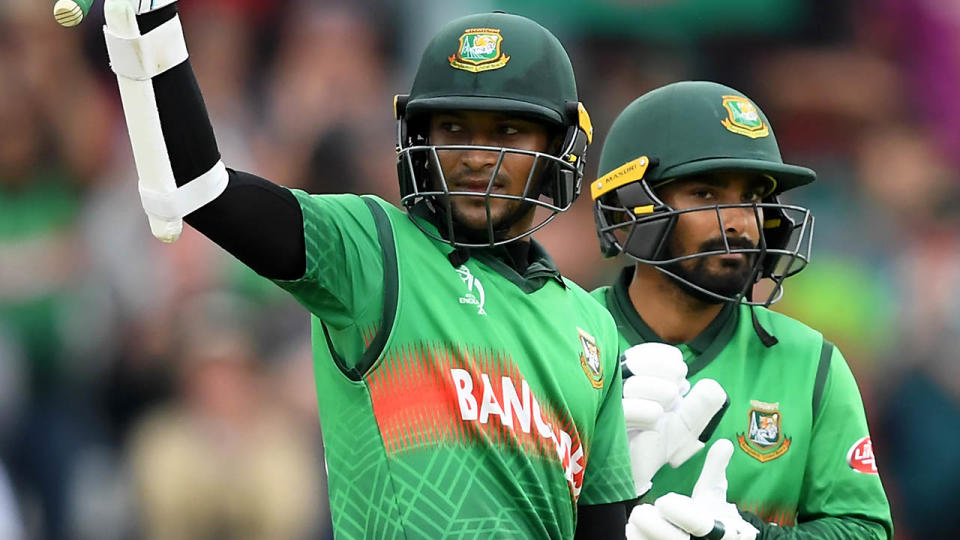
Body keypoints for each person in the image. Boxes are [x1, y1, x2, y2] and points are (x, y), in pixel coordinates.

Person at [100, 1, 636, 537]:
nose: (477, 157)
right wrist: (149, 29)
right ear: (420, 141)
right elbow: (204, 192)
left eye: (508, 132)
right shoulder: (372, 250)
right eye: (453, 127)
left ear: (559, 147)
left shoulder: (595, 327)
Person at [589, 81, 893, 538]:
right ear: (627, 210)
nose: (739, 221)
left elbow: (865, 530)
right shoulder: (563, 336)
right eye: (706, 195)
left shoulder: (809, 361)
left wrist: (756, 538)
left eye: (752, 198)